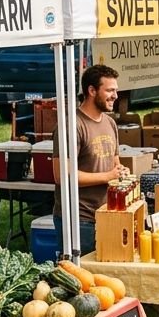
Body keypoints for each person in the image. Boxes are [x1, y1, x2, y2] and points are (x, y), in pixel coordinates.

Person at [52, 64, 122, 257]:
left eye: (116, 90)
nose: (115, 96)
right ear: (91, 91)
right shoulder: (71, 125)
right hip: (78, 219)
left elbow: (114, 162)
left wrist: (119, 171)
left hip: (106, 214)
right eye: (109, 90)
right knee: (80, 279)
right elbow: (61, 176)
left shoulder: (110, 123)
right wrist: (108, 176)